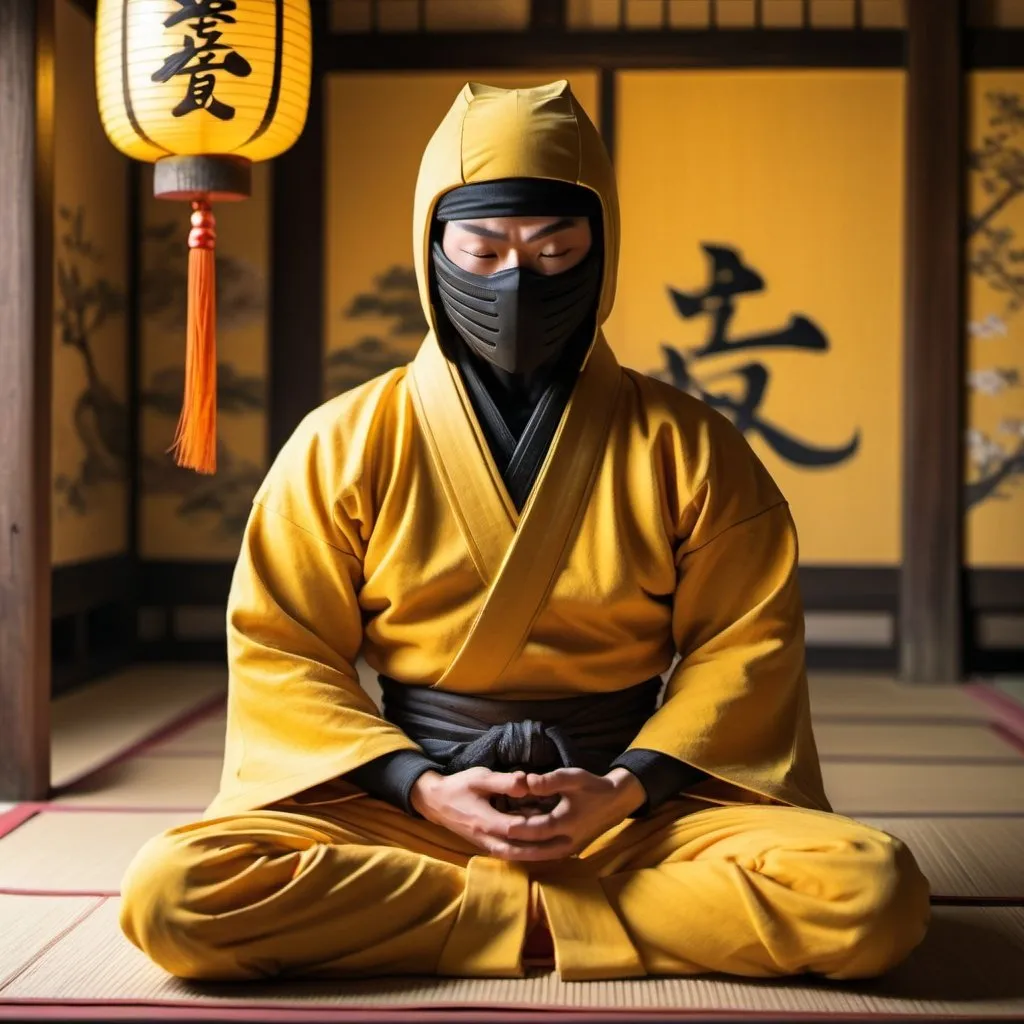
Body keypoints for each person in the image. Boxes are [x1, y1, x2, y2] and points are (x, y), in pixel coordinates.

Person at [120, 80, 930, 983]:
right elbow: (283, 651)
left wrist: (623, 788)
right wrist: (421, 788)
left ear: (601, 252)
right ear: (434, 250)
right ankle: (572, 916)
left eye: (554, 250)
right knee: (174, 894)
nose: (515, 279)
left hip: (629, 803)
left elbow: (744, 651)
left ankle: (476, 917)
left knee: (871, 891)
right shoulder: (345, 440)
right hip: (413, 803)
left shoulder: (689, 444)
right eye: (482, 248)